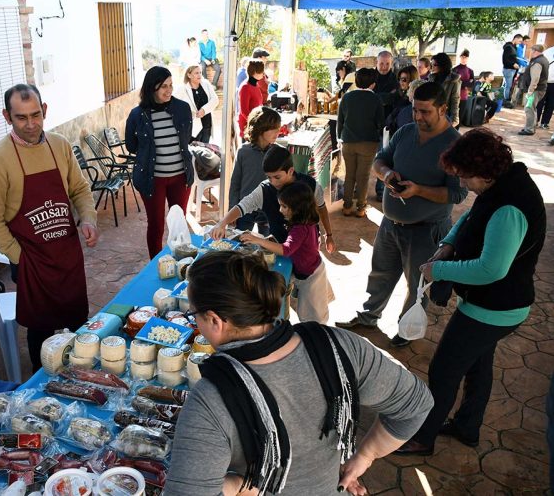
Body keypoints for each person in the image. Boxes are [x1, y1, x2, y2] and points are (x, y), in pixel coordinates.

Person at [164, 250, 434, 495]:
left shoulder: (209, 401)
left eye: (194, 314)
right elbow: (416, 404)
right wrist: (365, 455)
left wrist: (240, 484)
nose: (195, 321)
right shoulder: (339, 344)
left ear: (215, 321)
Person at [396, 129, 546, 456]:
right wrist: (449, 243)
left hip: (493, 309)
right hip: (498, 305)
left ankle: (423, 437)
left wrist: (440, 270)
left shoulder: (510, 206)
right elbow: (470, 217)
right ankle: (467, 427)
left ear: (484, 172)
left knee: (443, 370)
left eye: (465, 177)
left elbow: (491, 269)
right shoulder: (501, 185)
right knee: (478, 364)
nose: (463, 184)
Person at [335, 82, 468, 348]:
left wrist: (418, 190)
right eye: (415, 110)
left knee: (417, 286)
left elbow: (457, 195)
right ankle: (369, 316)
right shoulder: (406, 132)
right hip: (390, 223)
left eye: (425, 112)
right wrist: (386, 174)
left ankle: (406, 329)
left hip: (426, 229)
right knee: (380, 274)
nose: (417, 117)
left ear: (443, 109)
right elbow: (380, 160)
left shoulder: (455, 145)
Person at [0, 84, 99, 370]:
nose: (31, 124)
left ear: (44, 110)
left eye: (36, 115)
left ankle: (82, 375)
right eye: (21, 118)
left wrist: (89, 218)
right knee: (41, 331)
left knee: (77, 326)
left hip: (67, 255)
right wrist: (19, 257)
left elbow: (79, 189)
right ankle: (42, 382)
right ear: (7, 117)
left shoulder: (59, 145)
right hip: (31, 260)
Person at [210, 144, 336, 254]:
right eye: (269, 177)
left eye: (277, 177)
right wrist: (222, 223)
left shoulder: (311, 186)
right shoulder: (265, 189)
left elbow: (321, 208)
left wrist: (329, 235)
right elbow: (242, 206)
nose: (273, 182)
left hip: (307, 248)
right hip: (279, 245)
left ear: (290, 171)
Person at [240, 182, 335, 323]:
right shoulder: (307, 221)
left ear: (297, 208)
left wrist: (257, 240)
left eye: (284, 206)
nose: (280, 210)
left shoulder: (300, 228)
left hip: (311, 276)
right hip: (312, 269)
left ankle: (316, 342)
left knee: (313, 319)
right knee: (312, 313)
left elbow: (286, 249)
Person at [125, 66, 194, 259]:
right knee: (156, 225)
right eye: (163, 86)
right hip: (152, 180)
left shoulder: (182, 109)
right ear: (151, 88)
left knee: (178, 222)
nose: (169, 90)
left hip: (180, 178)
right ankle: (157, 265)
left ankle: (182, 263)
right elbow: (131, 145)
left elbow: (185, 139)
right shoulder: (137, 115)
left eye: (171, 85)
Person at [337, 67, 385, 218]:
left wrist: (340, 137)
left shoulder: (347, 97)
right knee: (363, 176)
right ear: (373, 84)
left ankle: (346, 206)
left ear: (356, 82)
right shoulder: (376, 98)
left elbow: (340, 120)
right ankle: (360, 208)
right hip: (368, 142)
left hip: (348, 141)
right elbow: (380, 122)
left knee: (350, 174)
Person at [230, 106, 281, 235]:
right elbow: (235, 184)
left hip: (269, 210)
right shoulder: (243, 151)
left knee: (268, 245)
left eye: (278, 129)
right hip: (244, 209)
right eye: (274, 129)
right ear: (260, 129)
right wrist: (233, 209)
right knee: (240, 244)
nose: (278, 133)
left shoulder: (278, 152)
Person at [374, 51, 399, 199]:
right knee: (364, 159)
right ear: (376, 63)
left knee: (383, 157)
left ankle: (380, 190)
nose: (384, 67)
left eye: (387, 64)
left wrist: (377, 97)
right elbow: (369, 97)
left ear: (391, 64)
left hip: (387, 125)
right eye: (381, 63)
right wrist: (385, 97)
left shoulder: (395, 79)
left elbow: (394, 98)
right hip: (369, 123)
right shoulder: (371, 76)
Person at [178, 64, 219, 143]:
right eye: (196, 73)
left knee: (205, 153)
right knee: (193, 153)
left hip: (206, 126)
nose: (199, 75)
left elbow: (215, 100)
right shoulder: (182, 89)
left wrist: (204, 110)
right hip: (191, 129)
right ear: (189, 75)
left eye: (200, 72)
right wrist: (189, 113)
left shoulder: (206, 84)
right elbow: (175, 105)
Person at [518, 45, 550, 136]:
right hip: (539, 89)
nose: (530, 52)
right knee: (532, 108)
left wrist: (530, 90)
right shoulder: (543, 60)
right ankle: (531, 127)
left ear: (535, 51)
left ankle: (529, 129)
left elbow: (535, 78)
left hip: (535, 90)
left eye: (531, 50)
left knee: (529, 108)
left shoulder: (537, 62)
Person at [429, 52, 461, 128]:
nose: (432, 67)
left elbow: (455, 100)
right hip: (431, 113)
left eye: (435, 65)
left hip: (445, 115)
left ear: (442, 65)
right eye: (431, 65)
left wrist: (454, 120)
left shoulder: (454, 80)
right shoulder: (432, 78)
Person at [385, 65, 419, 137]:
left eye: (404, 80)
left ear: (412, 80)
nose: (401, 82)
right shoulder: (398, 94)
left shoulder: (416, 99)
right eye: (399, 79)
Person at [238, 59, 265, 138]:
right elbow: (244, 111)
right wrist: (255, 123)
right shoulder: (245, 87)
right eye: (261, 71)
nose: (263, 74)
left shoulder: (256, 85)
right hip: (248, 127)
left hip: (256, 125)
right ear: (255, 72)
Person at [502, 34, 523, 106]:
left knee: (508, 85)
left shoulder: (514, 47)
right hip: (508, 69)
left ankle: (506, 99)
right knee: (508, 85)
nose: (520, 43)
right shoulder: (508, 47)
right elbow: (505, 59)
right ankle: (506, 101)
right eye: (520, 41)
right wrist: (513, 64)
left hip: (512, 70)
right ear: (515, 39)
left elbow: (513, 58)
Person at [536, 54, 554, 129]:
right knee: (541, 102)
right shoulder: (548, 58)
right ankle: (537, 121)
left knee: (550, 104)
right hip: (545, 83)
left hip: (550, 84)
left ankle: (543, 122)